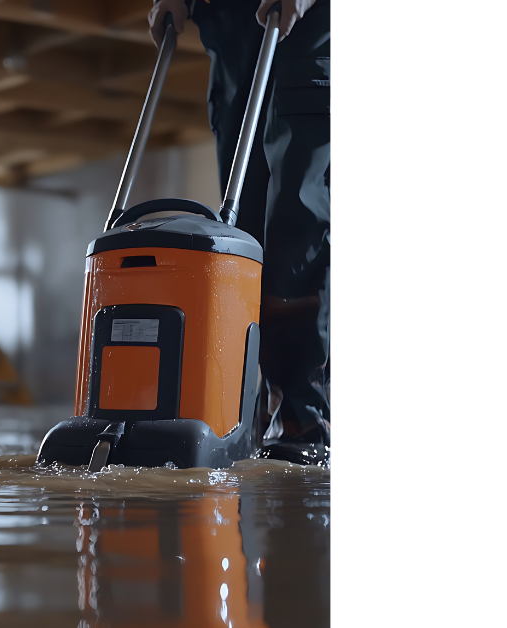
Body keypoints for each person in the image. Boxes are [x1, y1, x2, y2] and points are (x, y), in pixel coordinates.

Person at [149, 0, 330, 466]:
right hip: (228, 21)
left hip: (308, 23)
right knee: (240, 242)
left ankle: (302, 418)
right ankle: (241, 417)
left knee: (295, 225)